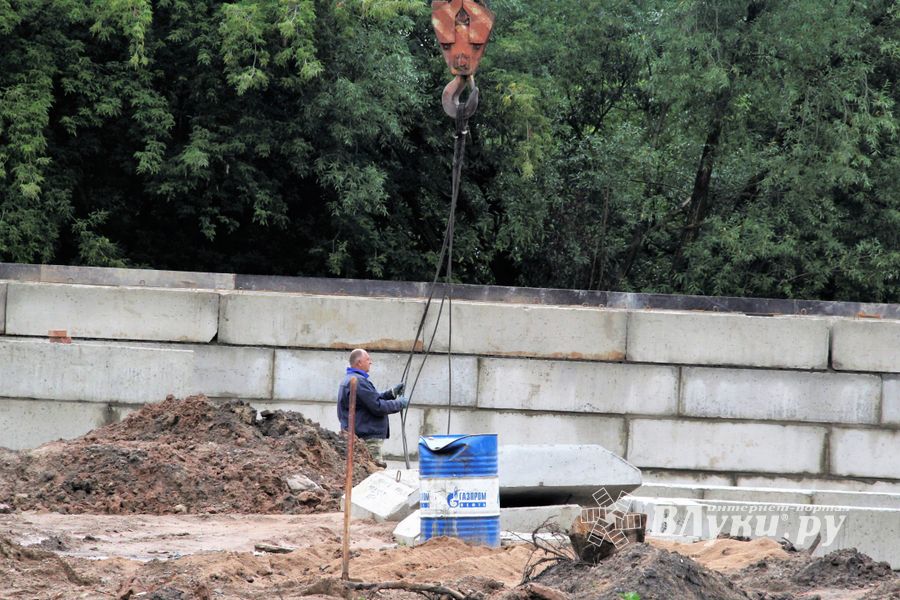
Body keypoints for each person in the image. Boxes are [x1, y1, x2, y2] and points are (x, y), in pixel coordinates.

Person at [337, 348, 408, 467]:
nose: (371, 362)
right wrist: (399, 404)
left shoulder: (351, 379)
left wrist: (390, 394)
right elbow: (377, 406)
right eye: (368, 359)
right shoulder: (359, 381)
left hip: (360, 434)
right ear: (359, 362)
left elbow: (370, 400)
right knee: (373, 471)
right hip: (367, 437)